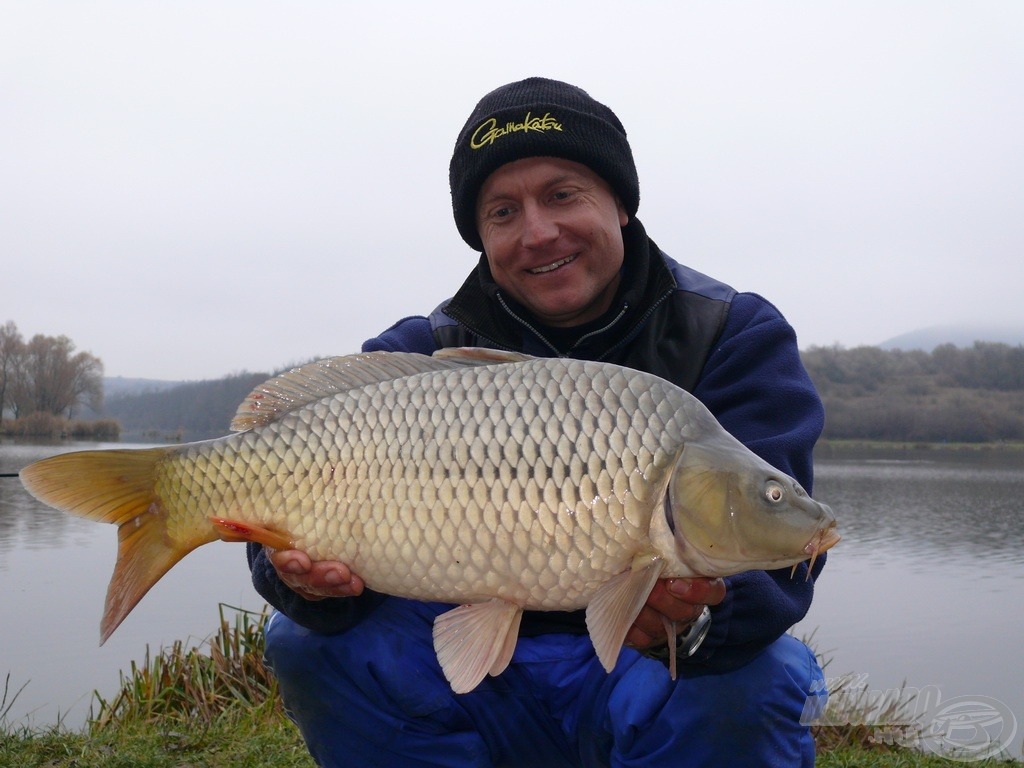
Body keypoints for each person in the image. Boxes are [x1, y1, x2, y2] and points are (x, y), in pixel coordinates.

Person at [247, 77, 829, 767]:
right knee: (304, 639)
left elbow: (778, 565)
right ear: (480, 235)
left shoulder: (730, 334)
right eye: (502, 211)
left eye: (562, 194)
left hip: (646, 673)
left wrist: (702, 617)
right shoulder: (419, 354)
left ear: (618, 199)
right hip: (466, 667)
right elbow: (275, 509)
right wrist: (301, 582)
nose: (538, 231)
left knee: (761, 675)